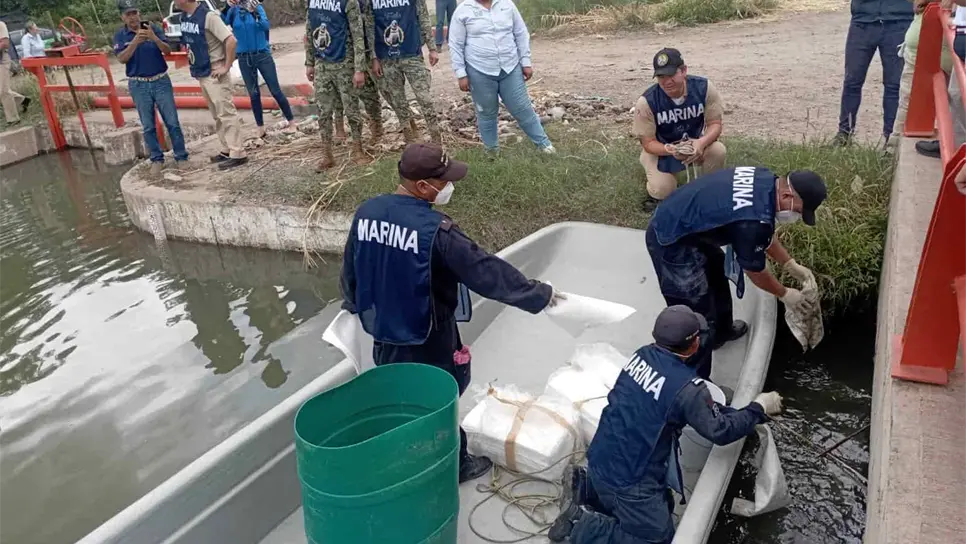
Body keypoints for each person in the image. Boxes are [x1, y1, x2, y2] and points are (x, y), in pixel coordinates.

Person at [339, 143, 565, 483]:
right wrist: (539, 295)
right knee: (438, 398)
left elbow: (350, 267)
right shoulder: (436, 231)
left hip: (384, 328)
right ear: (422, 186)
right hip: (427, 331)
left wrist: (353, 305)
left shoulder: (368, 212)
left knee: (399, 393)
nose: (448, 187)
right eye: (442, 181)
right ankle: (454, 465)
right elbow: (485, 272)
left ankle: (403, 453)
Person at [547, 305, 784, 544]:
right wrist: (758, 409)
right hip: (631, 478)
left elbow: (671, 397)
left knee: (660, 502)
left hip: (601, 453)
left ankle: (588, 490)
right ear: (693, 345)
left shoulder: (642, 355)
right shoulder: (688, 391)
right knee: (657, 539)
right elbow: (720, 430)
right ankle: (579, 526)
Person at [645, 166, 827, 380]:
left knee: (716, 275)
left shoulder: (765, 179)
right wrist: (785, 294)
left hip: (694, 227)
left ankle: (722, 332)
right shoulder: (753, 221)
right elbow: (755, 270)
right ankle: (697, 383)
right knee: (697, 318)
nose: (796, 216)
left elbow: (763, 233)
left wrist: (789, 263)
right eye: (799, 210)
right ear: (787, 195)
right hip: (671, 239)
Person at [448, 0, 555, 153]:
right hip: (479, 70)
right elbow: (455, 44)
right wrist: (461, 73)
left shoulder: (507, 5)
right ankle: (492, 152)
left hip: (510, 67)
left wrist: (525, 62)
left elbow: (520, 33)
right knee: (486, 112)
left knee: (522, 108)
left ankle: (544, 145)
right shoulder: (463, 10)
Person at [634, 48, 726, 212]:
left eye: (671, 75)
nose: (666, 81)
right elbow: (648, 143)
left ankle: (708, 191)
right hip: (661, 150)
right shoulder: (647, 101)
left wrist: (701, 143)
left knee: (718, 150)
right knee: (663, 190)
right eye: (661, 76)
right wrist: (670, 150)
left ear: (683, 71)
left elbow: (715, 124)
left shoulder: (703, 88)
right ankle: (656, 186)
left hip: (694, 145)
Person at [114, 0, 189, 175]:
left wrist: (153, 38)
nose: (132, 17)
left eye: (134, 13)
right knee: (148, 125)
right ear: (122, 17)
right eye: (128, 14)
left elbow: (168, 51)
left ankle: (181, 156)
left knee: (172, 122)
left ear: (139, 13)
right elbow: (121, 59)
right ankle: (156, 158)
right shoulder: (120, 36)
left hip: (161, 81)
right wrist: (135, 42)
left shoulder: (153, 28)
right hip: (138, 84)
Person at [177, 0, 249, 169]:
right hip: (202, 72)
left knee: (226, 113)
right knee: (217, 114)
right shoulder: (186, 18)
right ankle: (227, 148)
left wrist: (226, 66)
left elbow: (231, 41)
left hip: (215, 71)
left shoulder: (209, 17)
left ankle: (238, 152)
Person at [834, 0, 914, 145]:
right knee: (852, 80)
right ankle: (844, 134)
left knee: (894, 85)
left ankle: (890, 139)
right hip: (863, 20)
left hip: (898, 20)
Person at [363, 0, 442, 143]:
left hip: (411, 53)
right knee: (398, 102)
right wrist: (374, 57)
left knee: (425, 99)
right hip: (386, 57)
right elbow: (369, 27)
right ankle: (410, 139)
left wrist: (432, 48)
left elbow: (423, 17)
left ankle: (437, 140)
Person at [305, 0, 369, 170]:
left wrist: (359, 68)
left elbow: (358, 35)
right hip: (322, 64)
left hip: (344, 64)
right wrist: (309, 62)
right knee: (323, 112)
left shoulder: (349, 2)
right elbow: (309, 30)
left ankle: (358, 150)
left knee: (352, 110)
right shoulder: (313, 2)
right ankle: (327, 155)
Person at [222, 0, 296, 138]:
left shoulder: (257, 7)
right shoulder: (233, 11)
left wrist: (254, 12)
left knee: (275, 90)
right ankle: (260, 127)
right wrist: (227, 6)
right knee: (253, 94)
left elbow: (265, 25)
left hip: (262, 55)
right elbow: (222, 22)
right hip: (244, 57)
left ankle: (291, 122)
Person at [894, 0, 952, 155]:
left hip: (943, 42)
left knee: (954, 103)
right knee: (909, 106)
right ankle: (891, 152)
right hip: (925, 40)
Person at [332, 0, 384, 145]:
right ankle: (340, 127)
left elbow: (369, 24)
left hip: (364, 48)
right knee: (339, 92)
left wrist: (373, 55)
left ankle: (377, 128)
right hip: (340, 51)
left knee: (369, 93)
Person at [0, 19, 28, 125]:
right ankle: (22, 100)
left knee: (3, 91)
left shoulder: (0, 25)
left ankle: (13, 119)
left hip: (2, 59)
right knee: (2, 90)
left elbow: (5, 43)